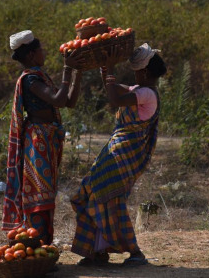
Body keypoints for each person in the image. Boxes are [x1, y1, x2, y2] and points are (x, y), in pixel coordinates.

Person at [70, 43, 167, 266]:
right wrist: (106, 68)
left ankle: (134, 252)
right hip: (117, 151)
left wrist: (111, 69)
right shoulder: (139, 90)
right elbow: (113, 88)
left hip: (124, 154)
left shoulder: (147, 94)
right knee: (92, 191)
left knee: (108, 196)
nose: (134, 74)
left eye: (136, 71)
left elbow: (115, 98)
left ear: (145, 72)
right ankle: (98, 251)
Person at [2, 30, 86, 245]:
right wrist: (67, 69)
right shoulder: (30, 79)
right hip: (37, 139)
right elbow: (58, 100)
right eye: (40, 50)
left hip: (46, 138)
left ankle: (42, 245)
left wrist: (78, 72)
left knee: (46, 192)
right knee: (39, 192)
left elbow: (69, 102)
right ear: (31, 55)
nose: (43, 53)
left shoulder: (40, 76)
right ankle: (35, 243)